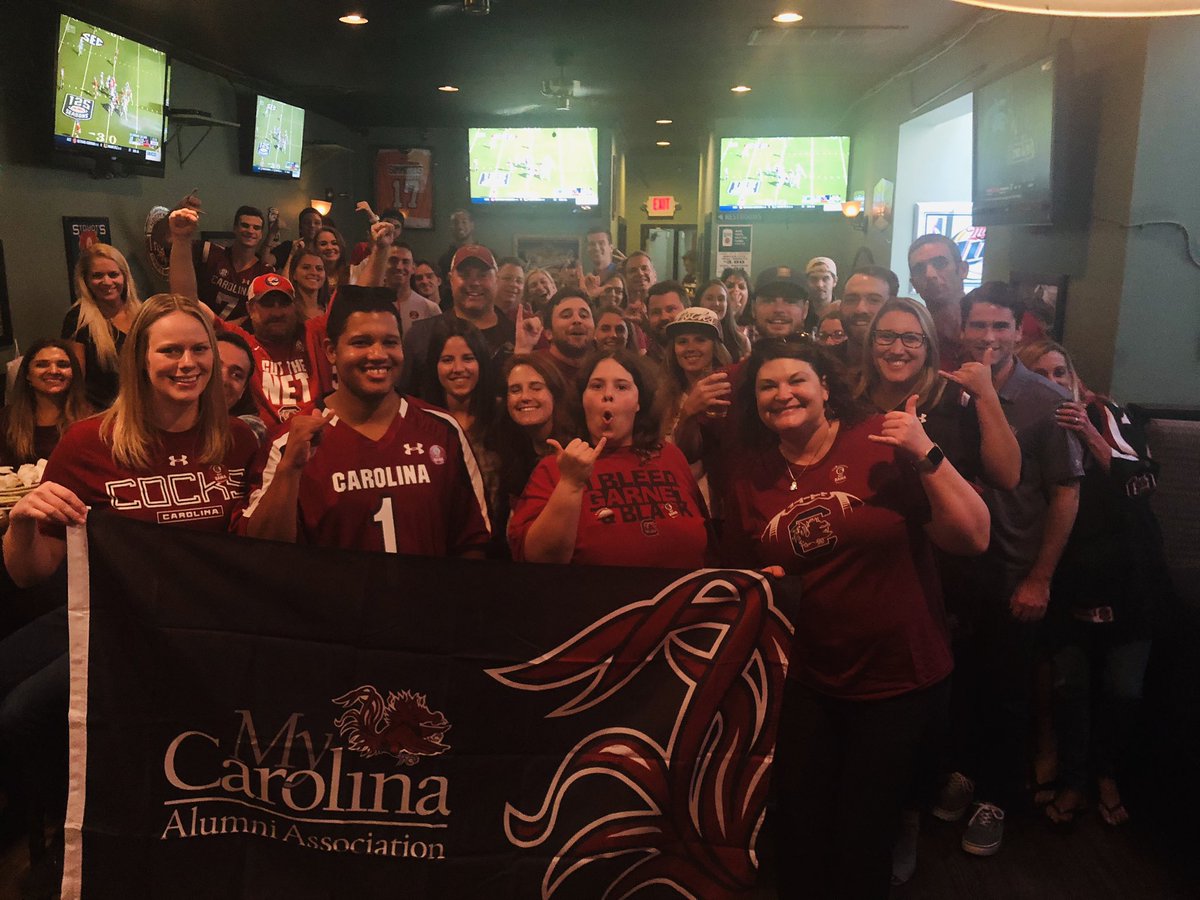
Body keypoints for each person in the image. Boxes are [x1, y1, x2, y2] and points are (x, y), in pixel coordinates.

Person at [721, 339, 989, 899]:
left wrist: (926, 452)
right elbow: (742, 562)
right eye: (766, 386)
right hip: (807, 678)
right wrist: (765, 578)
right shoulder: (750, 468)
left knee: (864, 836)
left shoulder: (881, 439)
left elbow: (974, 536)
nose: (782, 393)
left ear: (825, 386)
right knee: (799, 827)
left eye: (796, 379)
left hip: (897, 677)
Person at [937, 283, 1083, 858]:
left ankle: (998, 796)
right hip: (956, 571)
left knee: (1009, 694)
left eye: (1001, 328)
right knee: (960, 685)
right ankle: (964, 774)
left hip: (1014, 569)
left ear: (1018, 333)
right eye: (980, 327)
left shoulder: (1046, 400)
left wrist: (1040, 578)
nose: (990, 338)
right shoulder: (948, 394)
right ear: (963, 330)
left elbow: (1066, 495)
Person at [1018, 339, 1167, 830]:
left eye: (1061, 373)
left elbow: (1141, 487)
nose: (1055, 384)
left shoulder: (1108, 415)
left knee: (1124, 688)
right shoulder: (1027, 424)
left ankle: (1107, 776)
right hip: (1067, 583)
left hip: (1131, 580)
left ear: (1076, 377)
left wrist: (1090, 434)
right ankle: (1076, 779)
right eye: (1041, 376)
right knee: (1069, 686)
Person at [239, 289, 490, 557]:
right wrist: (289, 470)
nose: (378, 354)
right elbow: (262, 552)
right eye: (361, 342)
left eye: (391, 342)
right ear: (331, 351)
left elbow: (472, 541)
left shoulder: (442, 430)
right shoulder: (289, 441)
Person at [509, 348, 710, 568]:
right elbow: (537, 559)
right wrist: (570, 484)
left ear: (638, 402)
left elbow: (707, 542)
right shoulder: (557, 466)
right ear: (583, 400)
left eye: (622, 386)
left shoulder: (670, 456)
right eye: (596, 386)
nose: (608, 394)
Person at [402, 244, 515, 381]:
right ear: (451, 280)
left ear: (496, 280)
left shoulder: (517, 336)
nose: (474, 282)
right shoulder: (421, 335)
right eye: (464, 275)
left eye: (482, 275)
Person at [60, 243, 143, 409]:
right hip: (103, 413)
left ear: (125, 277)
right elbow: (76, 382)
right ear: (86, 280)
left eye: (113, 274)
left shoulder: (142, 313)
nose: (107, 282)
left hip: (144, 408)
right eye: (97, 276)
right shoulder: (78, 319)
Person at [495, 353, 574, 507]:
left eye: (536, 388)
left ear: (554, 394)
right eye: (515, 390)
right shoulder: (507, 448)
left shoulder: (575, 447)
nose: (525, 397)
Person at [183, 198, 274, 323]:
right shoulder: (209, 253)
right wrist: (180, 215)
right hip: (198, 327)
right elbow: (170, 243)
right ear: (235, 228)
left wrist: (221, 331)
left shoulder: (264, 272)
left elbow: (256, 316)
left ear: (261, 234)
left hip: (234, 337)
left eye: (256, 228)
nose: (250, 231)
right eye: (245, 225)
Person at [0, 340, 90, 466]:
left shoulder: (91, 419)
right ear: (27, 375)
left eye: (63, 365)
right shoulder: (5, 419)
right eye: (42, 365)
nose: (53, 371)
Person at [908, 234, 969, 369]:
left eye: (940, 264)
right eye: (919, 269)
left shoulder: (995, 327)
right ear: (914, 284)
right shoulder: (911, 339)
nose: (930, 274)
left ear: (963, 270)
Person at [527, 289, 596, 384]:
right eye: (566, 316)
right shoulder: (534, 367)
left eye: (583, 315)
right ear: (548, 333)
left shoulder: (602, 367)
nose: (577, 320)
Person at [839, 266, 898, 374]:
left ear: (893, 306)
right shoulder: (821, 363)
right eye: (851, 300)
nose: (860, 309)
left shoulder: (903, 367)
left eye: (874, 300)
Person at [215, 331, 267, 445]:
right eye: (216, 367)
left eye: (237, 375)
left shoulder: (248, 430)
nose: (223, 379)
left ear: (242, 391)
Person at [385, 242, 441, 333]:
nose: (399, 267)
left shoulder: (430, 308)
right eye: (393, 260)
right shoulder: (373, 305)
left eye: (405, 262)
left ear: (413, 268)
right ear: (384, 263)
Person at [696, 278, 749, 362]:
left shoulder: (741, 341)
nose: (716, 303)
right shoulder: (688, 338)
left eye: (721, 299)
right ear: (699, 302)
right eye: (709, 298)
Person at [436, 208, 476, 307]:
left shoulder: (486, 254)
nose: (459, 226)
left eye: (464, 222)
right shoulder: (444, 260)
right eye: (456, 223)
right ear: (451, 227)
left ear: (472, 225)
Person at [644, 280, 689, 363]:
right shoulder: (641, 368)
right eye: (656, 312)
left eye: (671, 309)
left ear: (687, 310)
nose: (664, 317)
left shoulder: (705, 360)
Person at [270, 205, 323, 272]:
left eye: (317, 223)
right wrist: (272, 232)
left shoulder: (325, 249)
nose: (312, 225)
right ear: (300, 228)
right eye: (307, 223)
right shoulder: (289, 246)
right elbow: (267, 262)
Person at [287, 247, 328, 320]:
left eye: (319, 269)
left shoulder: (331, 311)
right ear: (294, 274)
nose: (314, 272)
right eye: (306, 267)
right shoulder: (287, 312)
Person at [313, 225, 352, 292]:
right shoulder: (312, 277)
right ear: (315, 248)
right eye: (323, 244)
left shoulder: (352, 273)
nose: (329, 247)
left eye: (334, 243)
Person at [495, 256, 527, 321]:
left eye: (519, 281)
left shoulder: (527, 319)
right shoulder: (478, 314)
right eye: (507, 278)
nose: (514, 285)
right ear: (494, 279)